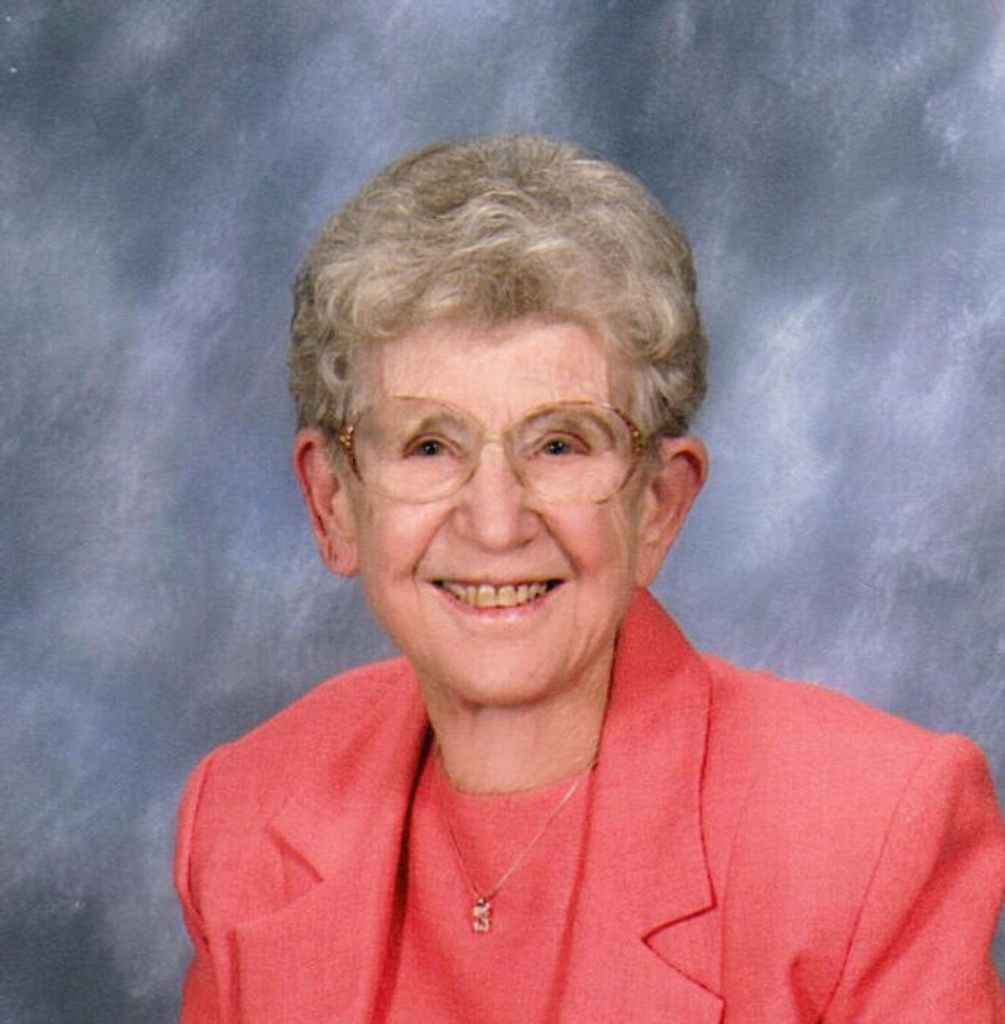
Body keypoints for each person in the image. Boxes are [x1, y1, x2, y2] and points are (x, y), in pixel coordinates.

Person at [175, 135, 1005, 1023]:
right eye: (429, 446)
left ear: (657, 504)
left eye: (561, 445)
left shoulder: (867, 830)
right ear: (334, 503)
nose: (495, 521)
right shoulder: (246, 812)